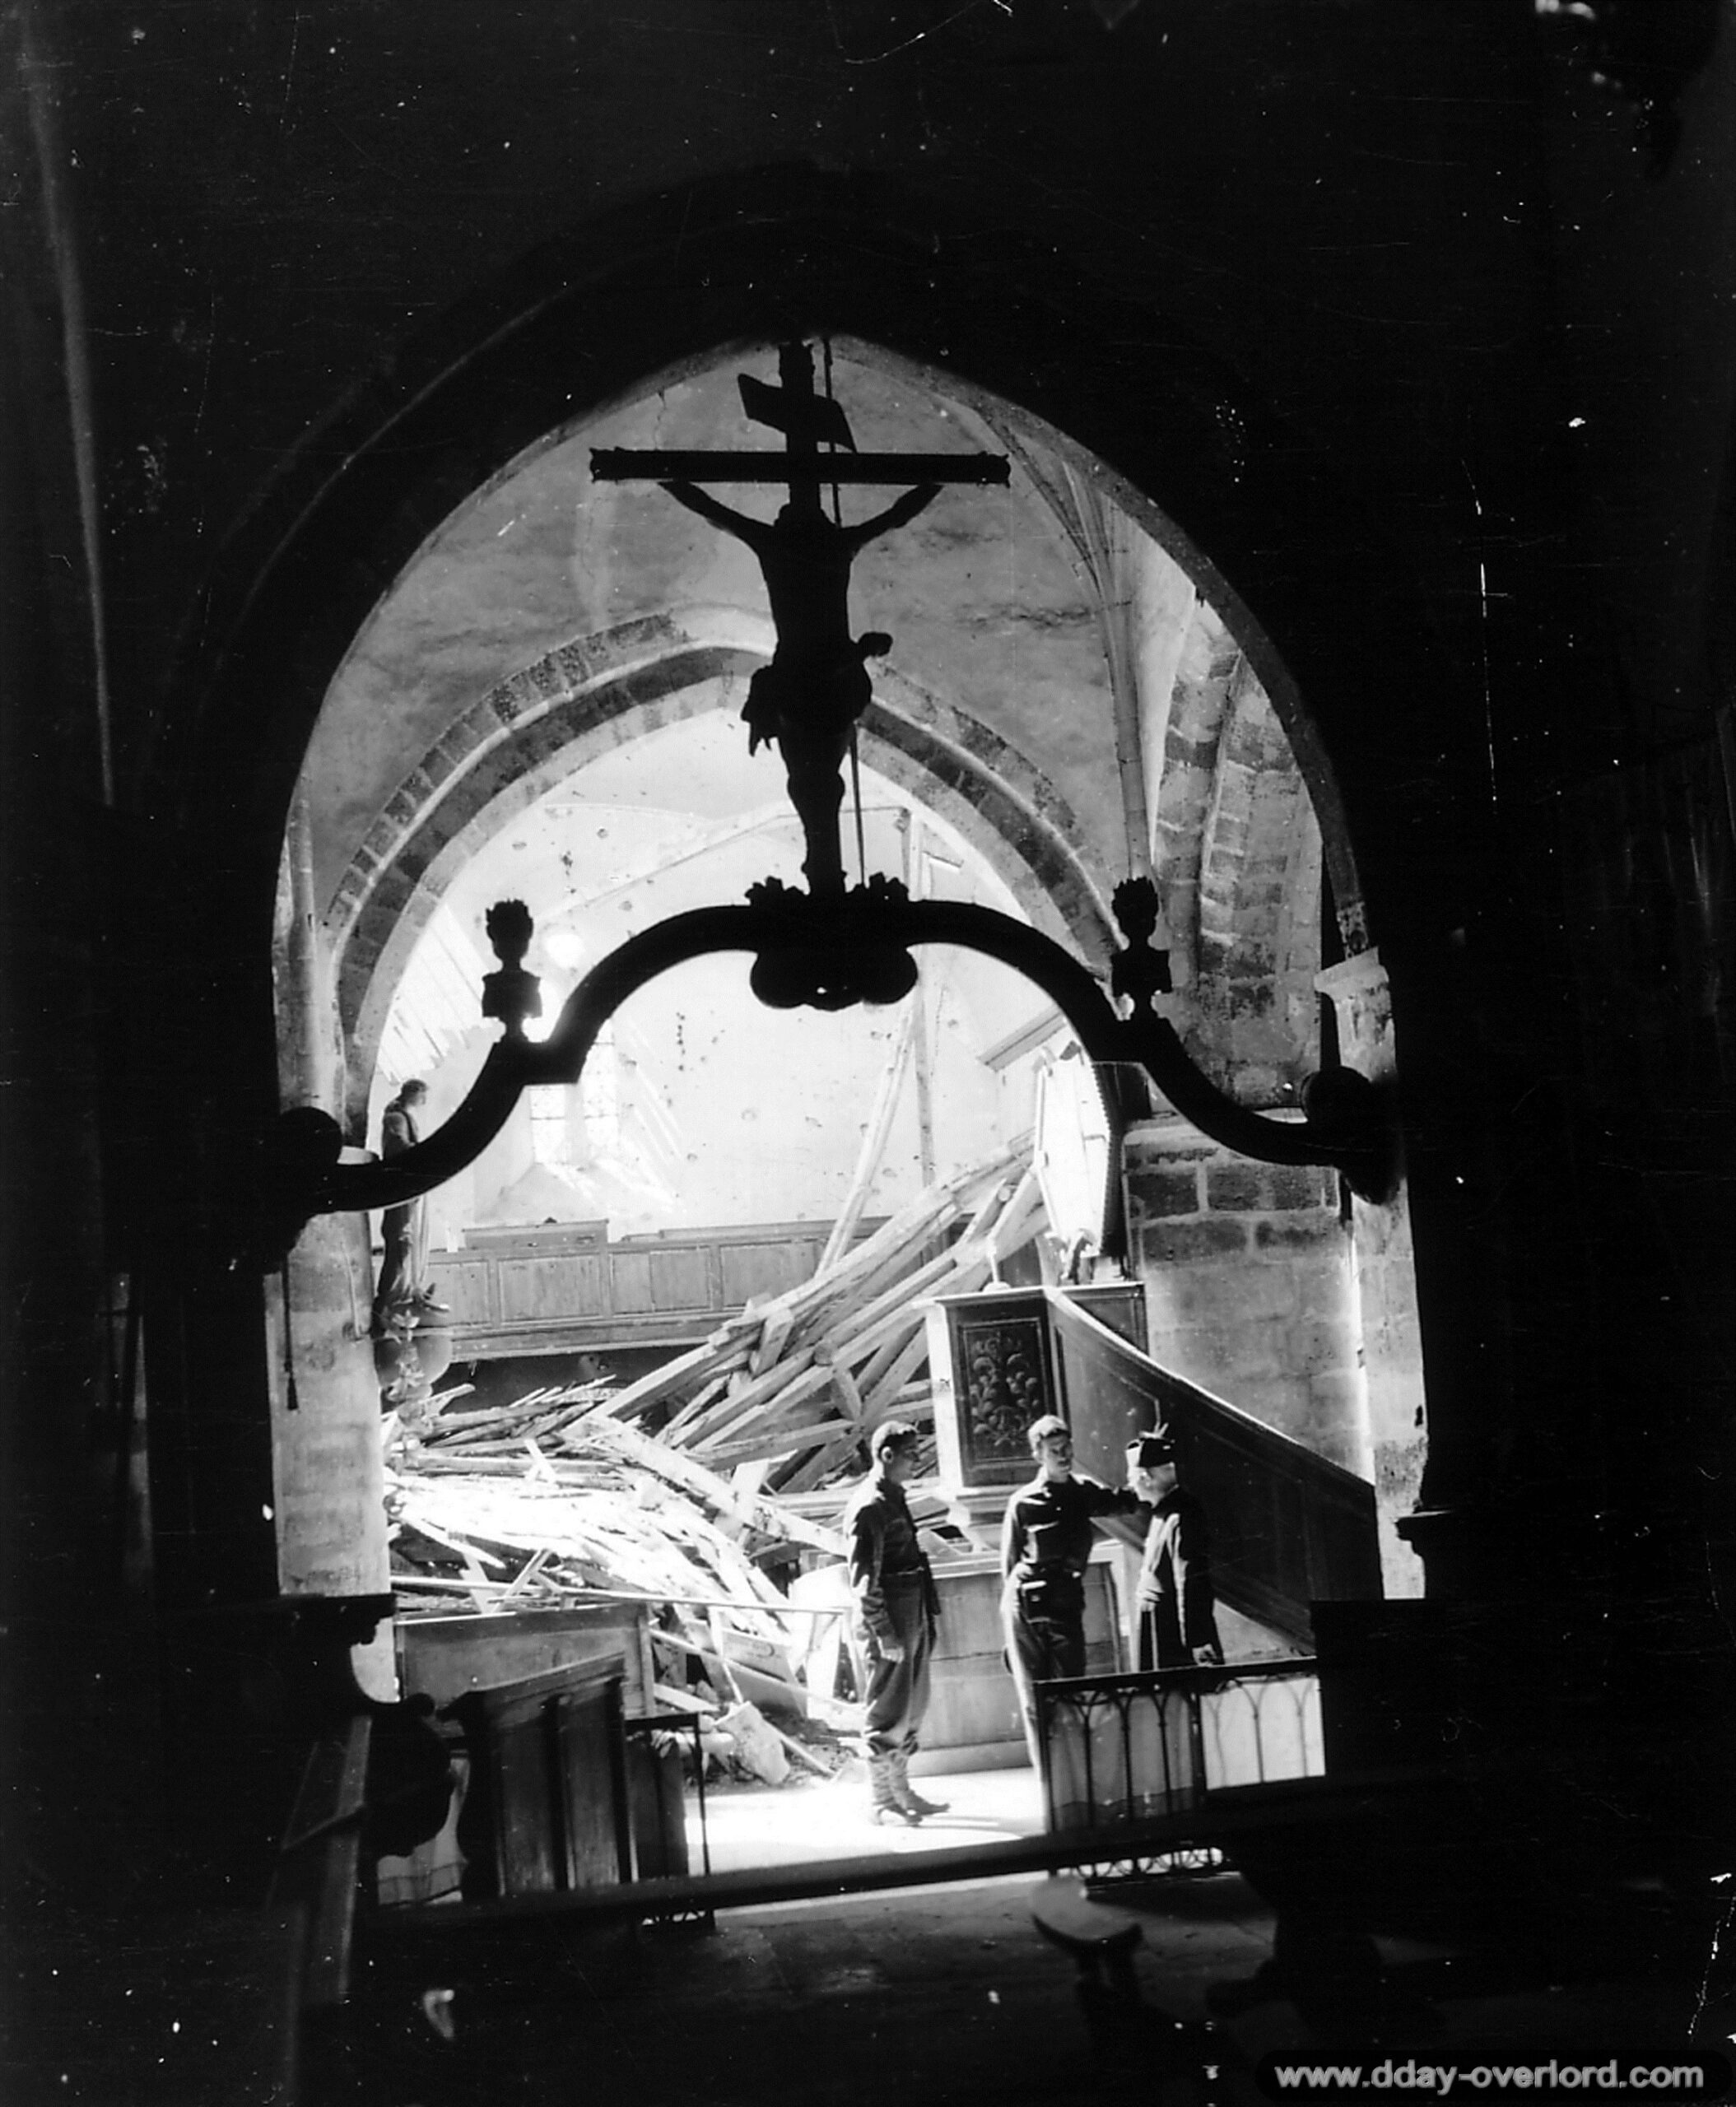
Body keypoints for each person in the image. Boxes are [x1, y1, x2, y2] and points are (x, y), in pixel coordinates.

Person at [662, 477, 940, 893]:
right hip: (824, 678)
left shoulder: (773, 542)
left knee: (813, 777)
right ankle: (821, 854)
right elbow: (897, 515)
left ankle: (821, 855)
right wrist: (936, 481)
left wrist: (666, 476)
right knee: (818, 775)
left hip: (802, 676)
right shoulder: (837, 543)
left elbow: (711, 510)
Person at [999, 1414, 1142, 1767]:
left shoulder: (1082, 1492)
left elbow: (1123, 1500)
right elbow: (1009, 1563)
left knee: (1071, 1693)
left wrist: (1142, 1466)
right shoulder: (1023, 1502)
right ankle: (1048, 1779)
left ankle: (1074, 1777)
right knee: (1034, 1700)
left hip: (1065, 1605)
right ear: (1038, 1455)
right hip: (1026, 1606)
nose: (1063, 1456)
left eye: (1067, 1448)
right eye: (1054, 1451)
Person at [842, 1420, 947, 1825]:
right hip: (892, 1618)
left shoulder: (892, 1497)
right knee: (887, 1710)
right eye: (911, 1454)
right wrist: (883, 1631)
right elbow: (864, 1579)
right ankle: (882, 1799)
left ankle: (903, 1792)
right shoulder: (870, 1506)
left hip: (912, 1612)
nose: (917, 1462)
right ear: (886, 1456)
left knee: (912, 1706)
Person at [1127, 1426, 1224, 1671]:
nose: (1131, 1485)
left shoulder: (1182, 1516)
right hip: (1158, 1627)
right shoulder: (1164, 1513)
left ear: (1145, 1478)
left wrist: (1198, 1640)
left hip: (1169, 1633)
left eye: (1132, 1478)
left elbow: (1191, 1581)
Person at [370, 1080, 447, 1336]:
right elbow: (397, 1150)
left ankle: (408, 1293)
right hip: (401, 1191)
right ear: (414, 1095)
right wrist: (426, 1152)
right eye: (423, 1096)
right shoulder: (395, 1118)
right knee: (403, 1244)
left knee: (411, 1245)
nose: (425, 1102)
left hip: (412, 1192)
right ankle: (391, 1301)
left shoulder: (405, 1116)